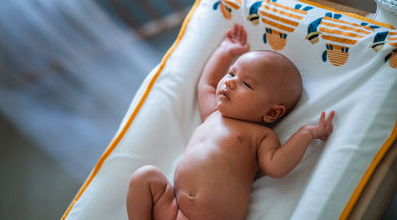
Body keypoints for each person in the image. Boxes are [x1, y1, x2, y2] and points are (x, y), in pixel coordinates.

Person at [126, 24, 335, 220]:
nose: (230, 81)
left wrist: (306, 135)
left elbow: (277, 167)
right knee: (145, 176)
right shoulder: (214, 113)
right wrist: (225, 52)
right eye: (231, 73)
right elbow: (207, 84)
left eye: (246, 83)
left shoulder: (260, 137)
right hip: (173, 209)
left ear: (272, 113)